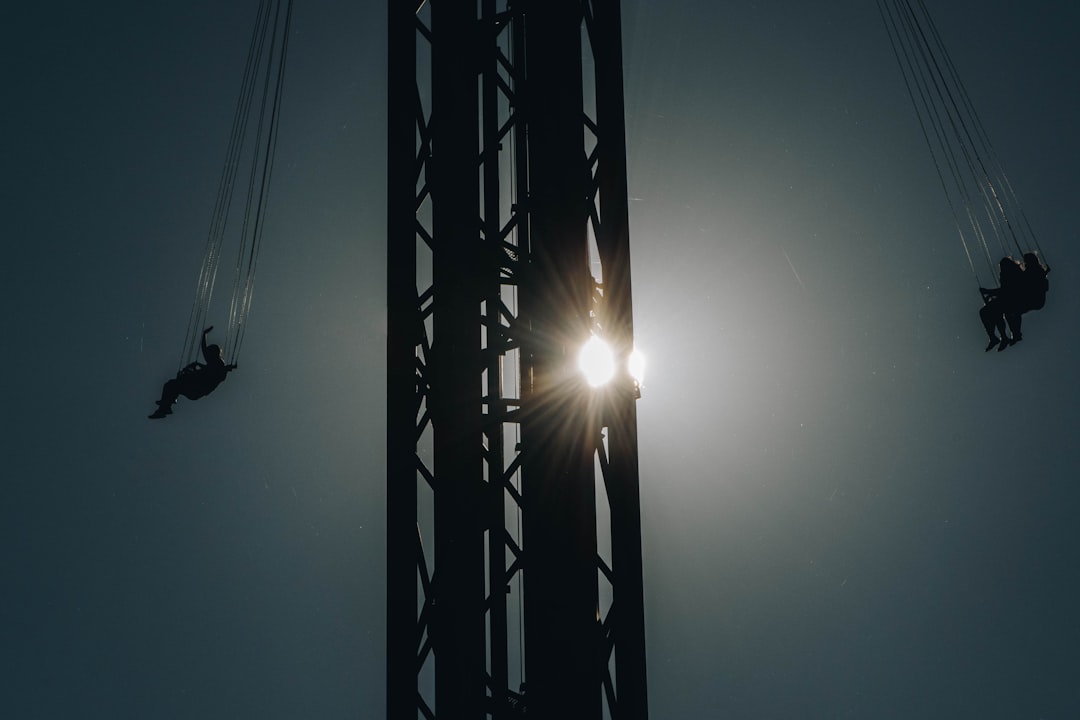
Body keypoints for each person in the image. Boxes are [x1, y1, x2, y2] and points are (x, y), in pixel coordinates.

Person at [149, 327, 237, 419]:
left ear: (214, 354)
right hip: (194, 388)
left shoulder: (218, 365)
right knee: (170, 384)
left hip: (197, 389)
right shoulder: (212, 363)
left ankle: (166, 406)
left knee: (173, 384)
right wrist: (204, 335)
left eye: (210, 352)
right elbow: (204, 349)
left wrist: (228, 368)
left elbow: (218, 372)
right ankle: (165, 407)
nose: (207, 355)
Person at [979, 257, 1023, 351]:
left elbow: (1006, 291)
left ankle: (1001, 337)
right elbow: (1004, 291)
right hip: (1007, 300)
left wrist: (988, 291)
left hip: (1012, 301)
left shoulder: (1012, 274)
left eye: (1002, 267)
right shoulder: (1007, 274)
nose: (1001, 270)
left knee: (990, 311)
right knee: (986, 311)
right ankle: (995, 337)